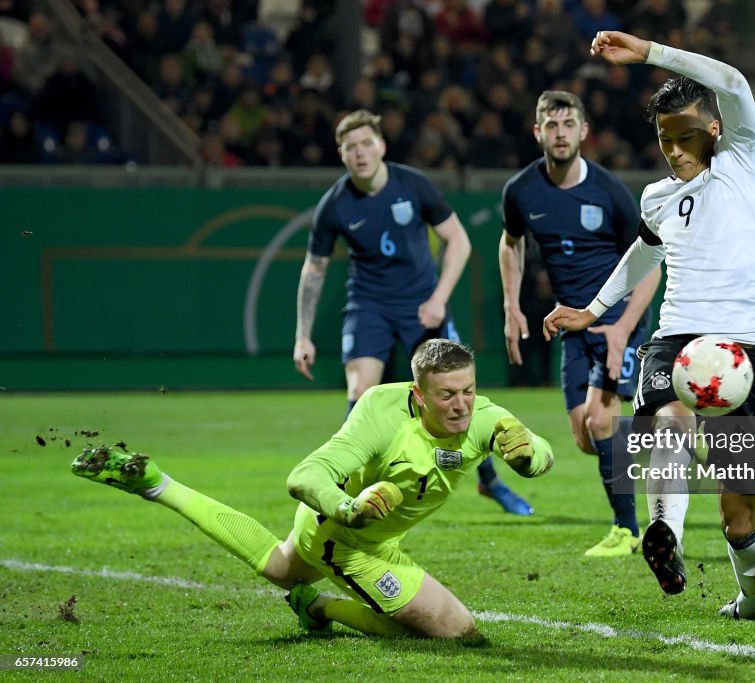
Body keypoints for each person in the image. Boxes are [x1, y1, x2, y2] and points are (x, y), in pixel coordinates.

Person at [544, 31, 755, 620]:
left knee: (741, 519)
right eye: (664, 140)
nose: (674, 151)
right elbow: (644, 251)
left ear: (713, 130)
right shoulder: (658, 195)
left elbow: (732, 83)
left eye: (684, 137)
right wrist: (593, 310)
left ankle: (753, 598)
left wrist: (650, 53)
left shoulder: (746, 155)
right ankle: (665, 535)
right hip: (679, 336)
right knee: (669, 422)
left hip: (751, 348)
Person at [71, 339, 554, 638]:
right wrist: (350, 509)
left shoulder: (484, 414)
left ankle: (157, 484)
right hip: (345, 540)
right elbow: (305, 477)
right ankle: (324, 604)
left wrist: (530, 456)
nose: (461, 405)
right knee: (456, 630)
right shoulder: (382, 414)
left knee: (282, 569)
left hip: (370, 536)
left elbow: (541, 453)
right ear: (417, 394)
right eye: (446, 395)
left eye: (467, 390)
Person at [293, 109, 532, 516]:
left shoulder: (413, 185)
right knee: (360, 392)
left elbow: (458, 241)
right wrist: (303, 334)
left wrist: (439, 297)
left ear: (381, 146)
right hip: (368, 305)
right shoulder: (334, 204)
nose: (360, 153)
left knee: (454, 394)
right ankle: (351, 485)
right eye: (351, 148)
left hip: (422, 304)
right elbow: (313, 270)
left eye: (367, 143)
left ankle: (489, 480)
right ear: (342, 155)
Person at [499, 90, 660, 557]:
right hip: (572, 324)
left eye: (569, 124)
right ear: (538, 132)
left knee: (601, 420)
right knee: (587, 437)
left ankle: (629, 532)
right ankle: (670, 438)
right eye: (551, 125)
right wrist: (512, 306)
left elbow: (651, 262)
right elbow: (510, 243)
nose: (560, 133)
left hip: (618, 320)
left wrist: (625, 327)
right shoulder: (522, 190)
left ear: (584, 131)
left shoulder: (609, 191)